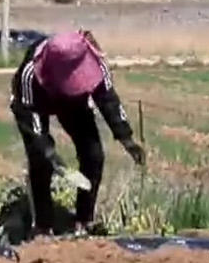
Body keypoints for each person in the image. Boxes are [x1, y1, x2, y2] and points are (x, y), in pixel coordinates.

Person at [10, 29, 144, 236]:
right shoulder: (30, 75)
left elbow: (108, 100)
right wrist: (48, 152)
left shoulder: (96, 64)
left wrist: (126, 138)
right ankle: (43, 226)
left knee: (94, 155)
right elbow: (31, 121)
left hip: (74, 102)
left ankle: (84, 220)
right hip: (39, 100)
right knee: (41, 163)